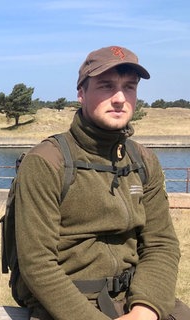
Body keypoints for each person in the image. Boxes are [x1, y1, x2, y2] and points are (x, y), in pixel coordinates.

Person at [13, 46, 189, 319]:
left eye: (129, 87)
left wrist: (145, 310)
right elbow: (37, 264)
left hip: (136, 299)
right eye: (106, 86)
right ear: (81, 93)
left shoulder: (143, 160)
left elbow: (161, 244)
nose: (120, 98)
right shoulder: (47, 162)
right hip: (70, 306)